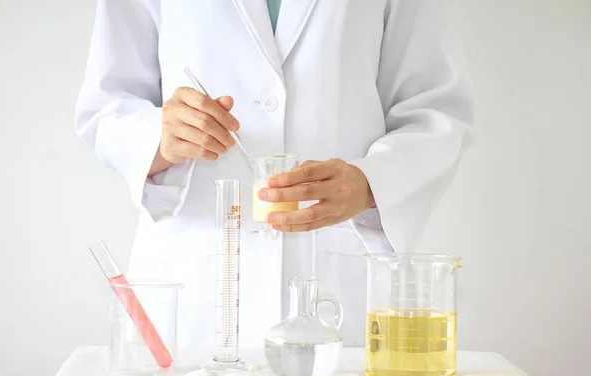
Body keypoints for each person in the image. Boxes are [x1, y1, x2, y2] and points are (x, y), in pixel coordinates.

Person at [75, 0, 474, 354]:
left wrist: (372, 183)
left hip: (338, 279)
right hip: (193, 280)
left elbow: (436, 112)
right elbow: (108, 105)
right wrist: (159, 136)